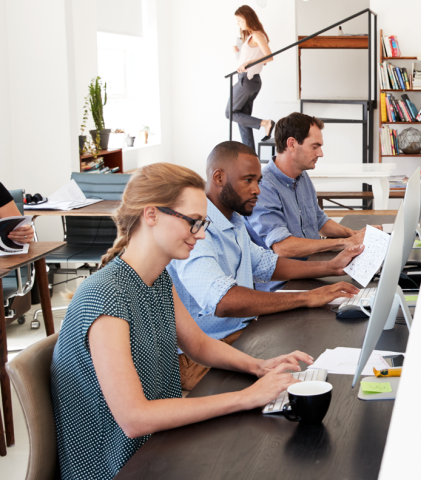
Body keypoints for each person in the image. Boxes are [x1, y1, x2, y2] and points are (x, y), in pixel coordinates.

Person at [51, 163, 312, 480]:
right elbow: (135, 418)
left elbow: (198, 345)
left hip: (160, 449)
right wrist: (248, 397)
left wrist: (258, 366)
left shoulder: (157, 278)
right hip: (120, 467)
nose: (200, 234)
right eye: (193, 223)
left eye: (202, 223)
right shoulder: (106, 297)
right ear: (151, 215)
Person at [167, 142, 361, 391]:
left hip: (240, 334)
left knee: (315, 356)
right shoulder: (197, 229)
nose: (257, 190)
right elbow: (223, 302)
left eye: (258, 180)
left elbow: (266, 264)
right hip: (202, 355)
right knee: (300, 376)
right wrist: (307, 297)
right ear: (218, 177)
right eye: (248, 180)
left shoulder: (234, 219)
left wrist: (331, 267)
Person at [246, 112, 377, 291]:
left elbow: (319, 220)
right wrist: (344, 242)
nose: (320, 153)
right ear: (291, 144)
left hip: (311, 269)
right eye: (315, 146)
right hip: (284, 286)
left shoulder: (302, 176)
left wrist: (352, 235)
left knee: (367, 284)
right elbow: (283, 248)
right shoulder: (264, 187)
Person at [225, 5, 275, 151]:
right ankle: (250, 156)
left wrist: (248, 62)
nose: (238, 24)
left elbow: (269, 57)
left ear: (247, 18)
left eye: (240, 20)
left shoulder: (257, 35)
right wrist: (239, 53)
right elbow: (261, 59)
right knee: (243, 120)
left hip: (247, 80)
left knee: (230, 113)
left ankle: (265, 123)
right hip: (251, 80)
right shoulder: (251, 36)